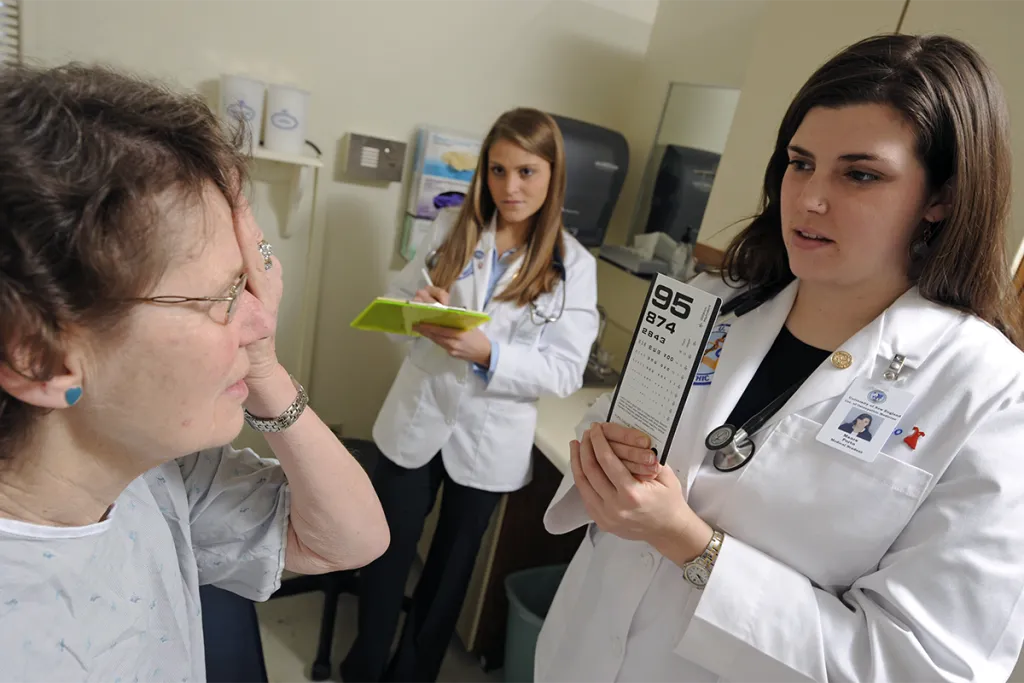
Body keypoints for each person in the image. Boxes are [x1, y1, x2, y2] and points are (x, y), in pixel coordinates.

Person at [536, 33, 1024, 683]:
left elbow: (920, 665)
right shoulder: (721, 303)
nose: (810, 199)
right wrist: (604, 454)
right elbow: (618, 417)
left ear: (941, 197)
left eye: (859, 173)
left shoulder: (989, 394)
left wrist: (690, 543)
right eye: (800, 163)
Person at [0, 63, 390, 682]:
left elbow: (350, 541)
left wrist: (258, 364)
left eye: (248, 285)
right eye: (219, 297)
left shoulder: (150, 477)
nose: (262, 324)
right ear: (38, 356)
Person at [341, 108, 599, 683]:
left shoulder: (573, 266)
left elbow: (564, 371)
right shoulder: (451, 228)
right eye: (498, 170)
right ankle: (363, 669)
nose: (511, 187)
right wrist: (417, 312)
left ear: (553, 175)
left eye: (527, 172)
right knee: (381, 552)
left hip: (488, 439)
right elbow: (394, 302)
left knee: (449, 575)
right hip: (416, 418)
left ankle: (412, 674)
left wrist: (489, 354)